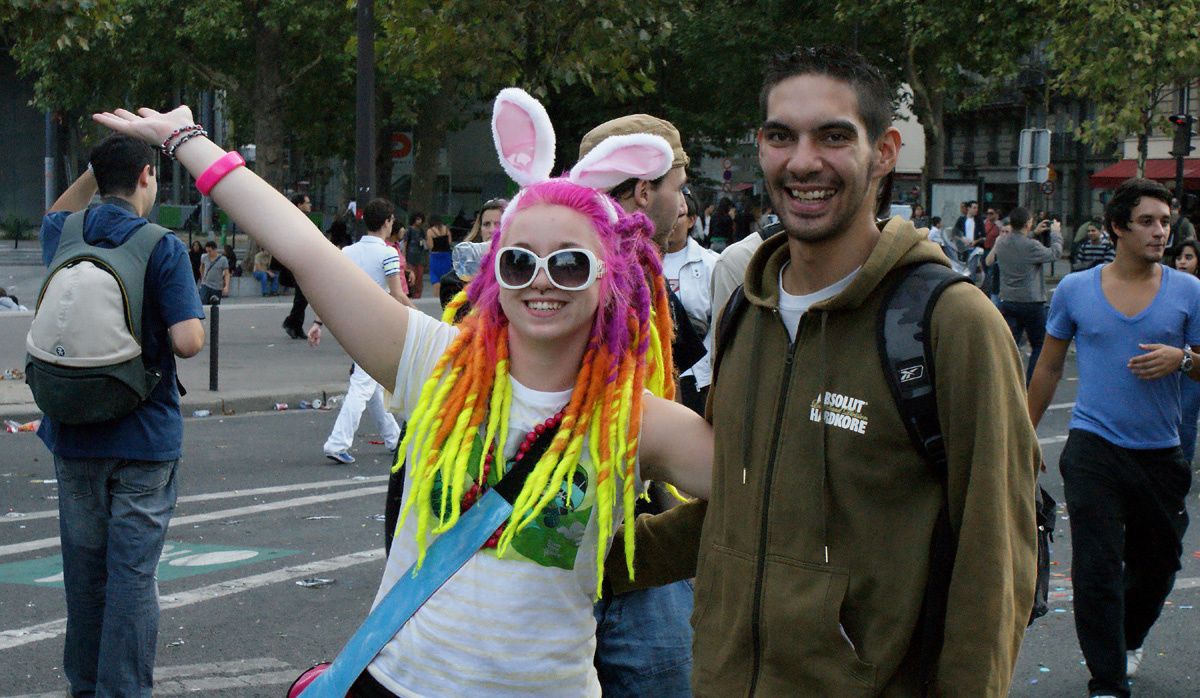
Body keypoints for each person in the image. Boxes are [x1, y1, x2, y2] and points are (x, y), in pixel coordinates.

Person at [95, 89, 711, 696]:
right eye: (519, 262)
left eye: (570, 264)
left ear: (610, 279)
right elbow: (305, 249)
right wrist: (188, 141)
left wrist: (648, 553)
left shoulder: (633, 417)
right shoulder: (434, 362)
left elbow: (767, 492)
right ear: (495, 273)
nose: (541, 283)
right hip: (397, 683)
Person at [606, 45, 1039, 695]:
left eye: (833, 136)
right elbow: (734, 516)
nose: (803, 161)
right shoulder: (745, 315)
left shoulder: (950, 324)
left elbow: (995, 565)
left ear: (886, 151)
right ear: (761, 147)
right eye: (782, 136)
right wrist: (580, 561)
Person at [36, 133, 205, 696]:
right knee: (132, 578)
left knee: (85, 579)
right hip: (144, 436)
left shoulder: (65, 233)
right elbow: (187, 342)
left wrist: (100, 162)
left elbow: (57, 210)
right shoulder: (162, 245)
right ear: (146, 178)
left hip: (73, 432)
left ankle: (84, 688)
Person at [1026, 177, 1199, 697]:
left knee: (1158, 566)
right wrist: (1022, 437)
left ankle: (1126, 640)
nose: (1160, 231)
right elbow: (1049, 367)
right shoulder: (1077, 290)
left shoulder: (1189, 290)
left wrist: (1184, 359)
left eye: (1166, 221)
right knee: (1096, 569)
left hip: (1161, 453)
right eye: (1147, 221)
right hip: (1093, 448)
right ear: (1117, 227)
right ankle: (1107, 680)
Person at [576, 110, 701, 697]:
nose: (684, 202)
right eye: (678, 185)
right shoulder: (592, 276)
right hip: (586, 553)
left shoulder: (641, 275)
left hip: (630, 551)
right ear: (645, 188)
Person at [308, 198, 411, 465]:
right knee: (363, 386)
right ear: (388, 222)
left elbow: (330, 293)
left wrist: (318, 324)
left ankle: (392, 437)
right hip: (377, 327)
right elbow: (398, 295)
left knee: (371, 385)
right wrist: (423, 319)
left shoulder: (347, 253)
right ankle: (337, 442)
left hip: (351, 327)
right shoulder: (388, 254)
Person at [987, 207, 1063, 384]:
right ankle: (1030, 385)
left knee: (1010, 346)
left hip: (1008, 300)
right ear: (1028, 223)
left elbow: (1017, 244)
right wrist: (1056, 234)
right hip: (1031, 302)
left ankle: (1004, 382)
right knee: (1038, 345)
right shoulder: (1032, 246)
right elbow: (1055, 253)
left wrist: (1033, 233)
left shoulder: (1001, 243)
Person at [663, 191, 719, 415]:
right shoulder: (643, 261)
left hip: (697, 376)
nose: (672, 222)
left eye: (679, 216)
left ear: (692, 220)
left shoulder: (710, 264)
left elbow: (717, 323)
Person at [1175, 239, 1200, 465]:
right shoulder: (1169, 288)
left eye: (1189, 257)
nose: (1182, 262)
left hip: (1194, 361)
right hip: (1179, 363)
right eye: (1179, 257)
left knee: (1186, 417)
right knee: (1182, 417)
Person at [280, 192, 314, 337]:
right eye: (307, 202)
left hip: (302, 260)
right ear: (299, 205)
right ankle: (292, 322)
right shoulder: (294, 220)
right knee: (303, 295)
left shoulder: (299, 219)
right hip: (297, 261)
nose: (309, 205)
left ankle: (295, 324)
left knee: (303, 295)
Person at [425, 215, 453, 296]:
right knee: (446, 279)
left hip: (435, 258)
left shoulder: (430, 231)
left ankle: (437, 301)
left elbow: (431, 246)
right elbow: (450, 242)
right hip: (446, 257)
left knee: (436, 280)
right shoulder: (447, 229)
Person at [197, 240, 229, 304]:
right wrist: (203, 277)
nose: (208, 253)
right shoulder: (204, 257)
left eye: (210, 251)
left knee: (214, 304)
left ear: (215, 250)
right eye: (207, 251)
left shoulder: (223, 259)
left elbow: (227, 273)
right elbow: (201, 267)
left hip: (217, 287)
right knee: (202, 301)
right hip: (205, 284)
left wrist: (226, 286)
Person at [404, 212, 428, 298]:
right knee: (412, 276)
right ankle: (411, 293)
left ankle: (417, 294)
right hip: (411, 256)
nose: (419, 221)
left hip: (420, 256)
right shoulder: (409, 230)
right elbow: (405, 243)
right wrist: (404, 256)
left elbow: (425, 243)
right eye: (417, 219)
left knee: (419, 276)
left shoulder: (421, 231)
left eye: (420, 219)